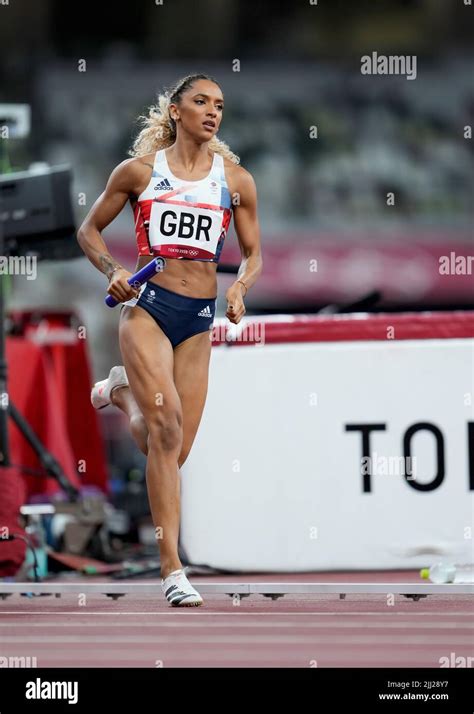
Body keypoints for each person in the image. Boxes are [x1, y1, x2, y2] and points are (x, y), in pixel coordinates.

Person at [77, 73, 263, 606]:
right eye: (201, 102)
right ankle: (172, 569)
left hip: (199, 316)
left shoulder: (237, 181)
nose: (213, 112)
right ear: (176, 111)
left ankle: (120, 392)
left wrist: (241, 289)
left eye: (220, 105)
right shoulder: (138, 173)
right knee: (167, 427)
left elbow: (254, 254)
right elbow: (88, 231)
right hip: (148, 310)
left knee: (172, 448)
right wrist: (111, 268)